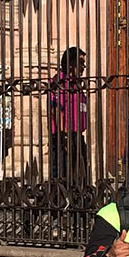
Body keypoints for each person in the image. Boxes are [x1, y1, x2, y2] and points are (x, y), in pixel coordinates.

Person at [48, 47, 89, 184]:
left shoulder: (76, 84)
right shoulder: (59, 82)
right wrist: (64, 136)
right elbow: (56, 110)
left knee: (79, 173)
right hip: (64, 135)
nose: (83, 67)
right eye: (81, 63)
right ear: (71, 64)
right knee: (63, 173)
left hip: (77, 134)